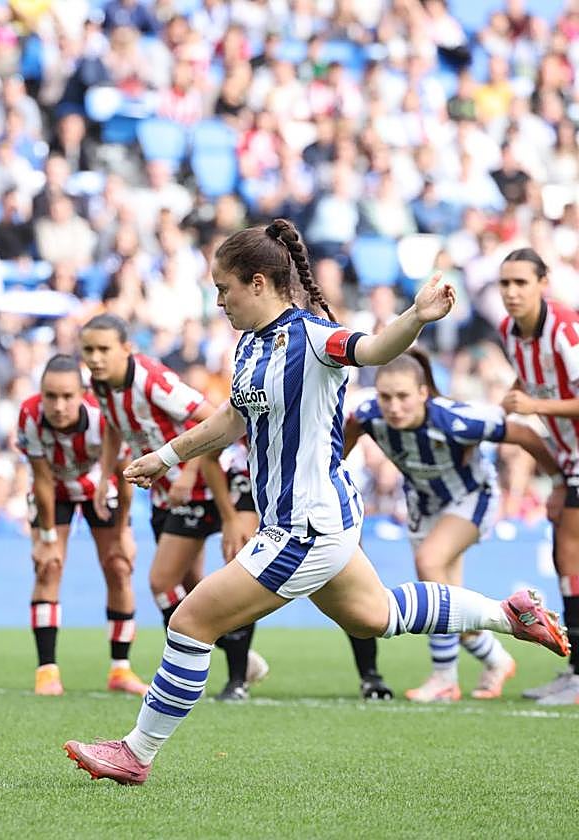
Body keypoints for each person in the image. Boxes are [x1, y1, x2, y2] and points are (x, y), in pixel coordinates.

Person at [64, 219, 569, 786]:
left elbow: (374, 348)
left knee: (189, 622)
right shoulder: (250, 346)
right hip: (316, 519)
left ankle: (136, 753)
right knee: (377, 616)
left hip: (304, 526)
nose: (220, 300)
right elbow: (233, 418)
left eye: (224, 288)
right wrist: (166, 456)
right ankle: (510, 614)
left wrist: (417, 315)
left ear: (258, 283)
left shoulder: (314, 336)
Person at [345, 349, 559, 701]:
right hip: (423, 504)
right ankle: (496, 660)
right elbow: (345, 441)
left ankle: (444, 677)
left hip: (472, 498)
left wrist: (559, 481)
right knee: (448, 601)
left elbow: (523, 435)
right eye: (386, 397)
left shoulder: (456, 420)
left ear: (423, 393)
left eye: (403, 397)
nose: (394, 406)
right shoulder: (369, 416)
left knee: (429, 564)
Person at [79, 313, 267, 702]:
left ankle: (217, 672)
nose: (95, 358)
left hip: (210, 483)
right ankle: (238, 658)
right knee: (193, 589)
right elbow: (115, 427)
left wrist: (188, 470)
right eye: (88, 350)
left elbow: (213, 419)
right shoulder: (100, 384)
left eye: (103, 350)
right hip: (168, 492)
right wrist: (104, 477)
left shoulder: (153, 380)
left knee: (164, 581)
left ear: (126, 349)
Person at [15, 354, 146, 696]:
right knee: (49, 567)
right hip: (54, 491)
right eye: (51, 396)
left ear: (82, 393)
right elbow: (42, 480)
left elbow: (124, 473)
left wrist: (124, 531)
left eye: (67, 396)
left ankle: (120, 669)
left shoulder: (101, 419)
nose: (58, 406)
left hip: (98, 489)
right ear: (41, 394)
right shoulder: (29, 416)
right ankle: (47, 672)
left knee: (119, 567)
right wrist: (45, 538)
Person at [497, 247, 579, 703]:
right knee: (566, 557)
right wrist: (511, 397)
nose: (511, 293)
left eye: (521, 283)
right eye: (505, 284)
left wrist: (532, 407)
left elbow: (541, 397)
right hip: (568, 458)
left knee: (569, 554)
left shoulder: (566, 330)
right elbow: (528, 382)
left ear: (543, 284)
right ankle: (574, 670)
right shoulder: (510, 331)